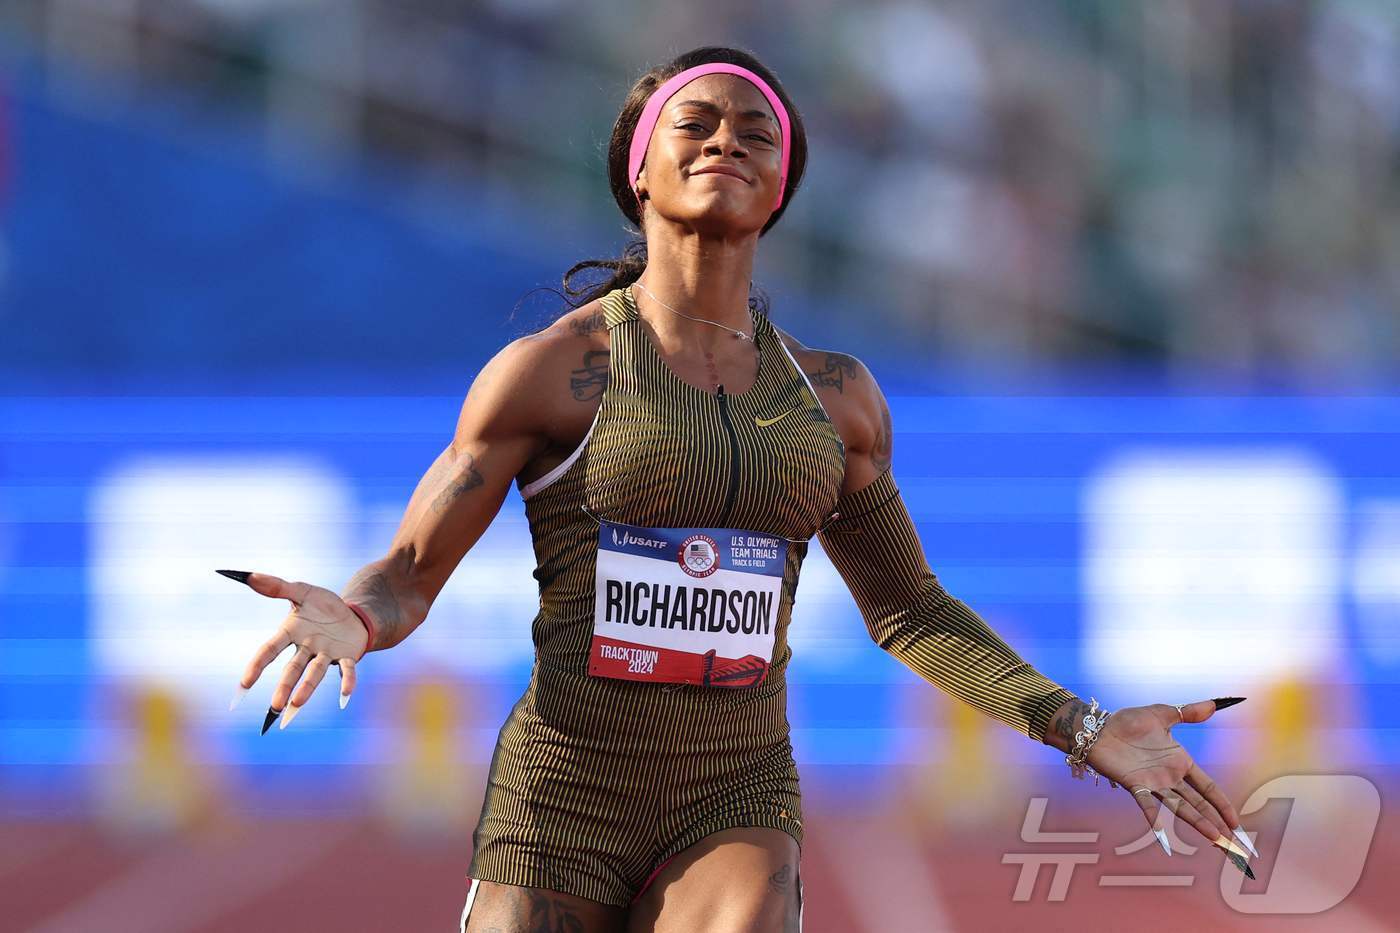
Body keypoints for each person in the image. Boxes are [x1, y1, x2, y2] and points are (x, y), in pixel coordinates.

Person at [224, 46, 1258, 933]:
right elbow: (409, 571)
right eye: (697, 125)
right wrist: (356, 614)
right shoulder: (548, 372)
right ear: (640, 171)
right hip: (562, 791)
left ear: (778, 190)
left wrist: (1079, 727)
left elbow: (905, 608)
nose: (726, 143)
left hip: (735, 790)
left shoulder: (836, 401)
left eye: (754, 136)